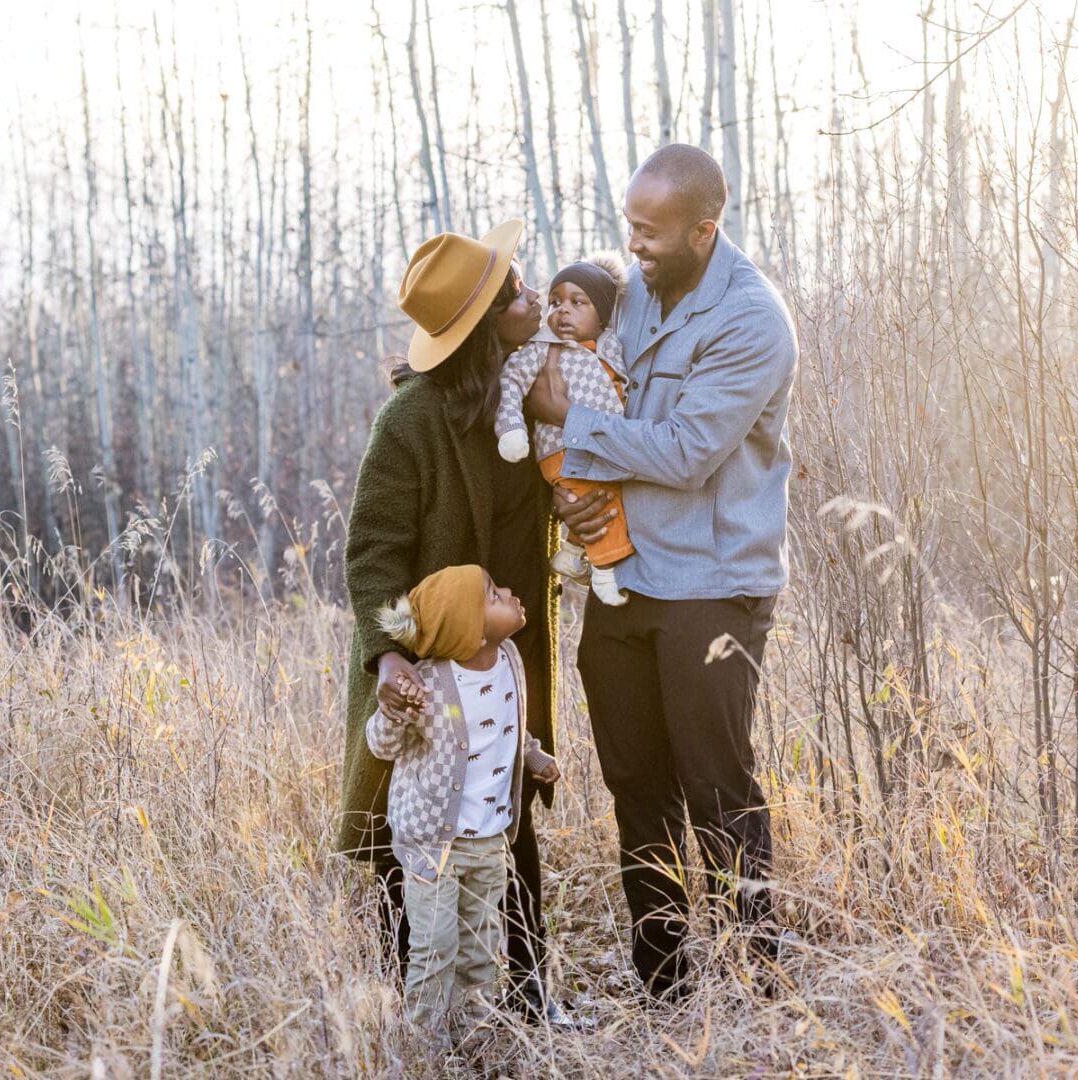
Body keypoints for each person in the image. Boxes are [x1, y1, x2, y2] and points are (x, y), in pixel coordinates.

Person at [527, 144, 799, 1000]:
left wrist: (571, 425)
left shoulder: (753, 322)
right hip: (625, 577)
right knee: (635, 787)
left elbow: (684, 453)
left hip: (711, 587)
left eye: (650, 232)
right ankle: (667, 985)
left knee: (715, 788)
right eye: (630, 227)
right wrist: (576, 498)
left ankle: (755, 987)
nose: (633, 247)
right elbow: (610, 394)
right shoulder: (634, 295)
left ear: (704, 230)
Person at [339, 222, 577, 1026]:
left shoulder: (528, 390)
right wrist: (387, 662)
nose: (531, 293)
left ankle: (525, 1004)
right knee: (417, 828)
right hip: (428, 667)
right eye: (514, 290)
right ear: (483, 323)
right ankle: (417, 1021)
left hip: (510, 658)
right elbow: (372, 554)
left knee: (505, 821)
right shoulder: (410, 422)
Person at [365, 564, 560, 1038]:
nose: (510, 592)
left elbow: (506, 726)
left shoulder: (510, 659)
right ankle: (425, 1047)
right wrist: (396, 713)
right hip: (435, 846)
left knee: (479, 948)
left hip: (491, 840)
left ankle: (474, 1040)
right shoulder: (426, 685)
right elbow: (380, 745)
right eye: (494, 594)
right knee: (435, 950)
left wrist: (533, 757)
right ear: (469, 630)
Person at [496, 253, 634, 608]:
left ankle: (572, 554)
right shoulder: (543, 349)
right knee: (605, 504)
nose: (560, 310)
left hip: (598, 446)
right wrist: (511, 427)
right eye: (555, 301)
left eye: (578, 302)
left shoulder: (610, 347)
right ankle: (604, 571)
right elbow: (510, 380)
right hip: (562, 449)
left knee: (595, 497)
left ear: (602, 314)